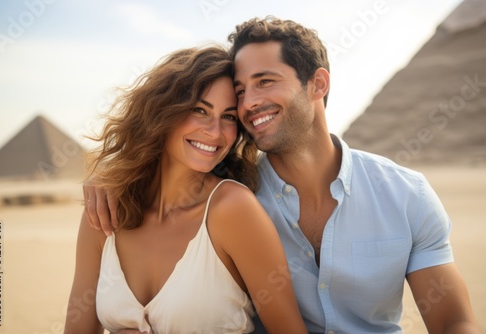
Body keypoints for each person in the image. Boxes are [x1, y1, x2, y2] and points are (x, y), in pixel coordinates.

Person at [84, 17, 481, 333]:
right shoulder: (227, 197)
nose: (249, 103)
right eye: (240, 91)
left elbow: (452, 321)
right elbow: (166, 163)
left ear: (317, 84)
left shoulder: (406, 195)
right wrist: (109, 175)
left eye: (265, 82)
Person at [64, 45, 308, 334]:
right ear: (162, 112)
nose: (215, 131)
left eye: (228, 117)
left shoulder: (232, 209)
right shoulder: (106, 210)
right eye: (199, 110)